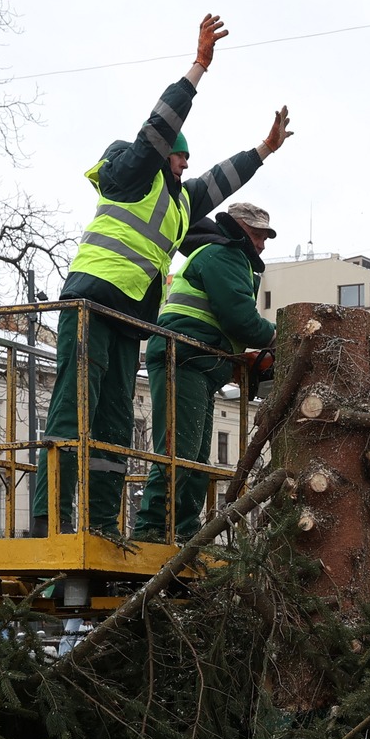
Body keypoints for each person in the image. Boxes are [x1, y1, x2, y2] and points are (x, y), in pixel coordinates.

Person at [35, 12, 293, 536]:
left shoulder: (177, 203)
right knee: (72, 414)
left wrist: (264, 150)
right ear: (164, 155)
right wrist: (198, 68)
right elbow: (158, 126)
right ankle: (49, 521)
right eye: (179, 156)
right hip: (89, 303)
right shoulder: (134, 173)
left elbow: (219, 183)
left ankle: (103, 524)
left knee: (111, 430)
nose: (185, 164)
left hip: (131, 320)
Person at [132, 201, 282, 541]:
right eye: (257, 235)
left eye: (265, 238)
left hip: (197, 362)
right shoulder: (223, 255)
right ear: (239, 228)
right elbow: (240, 319)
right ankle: (151, 529)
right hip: (183, 357)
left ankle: (184, 530)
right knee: (178, 451)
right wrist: (278, 338)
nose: (261, 244)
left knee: (197, 457)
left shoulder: (231, 260)